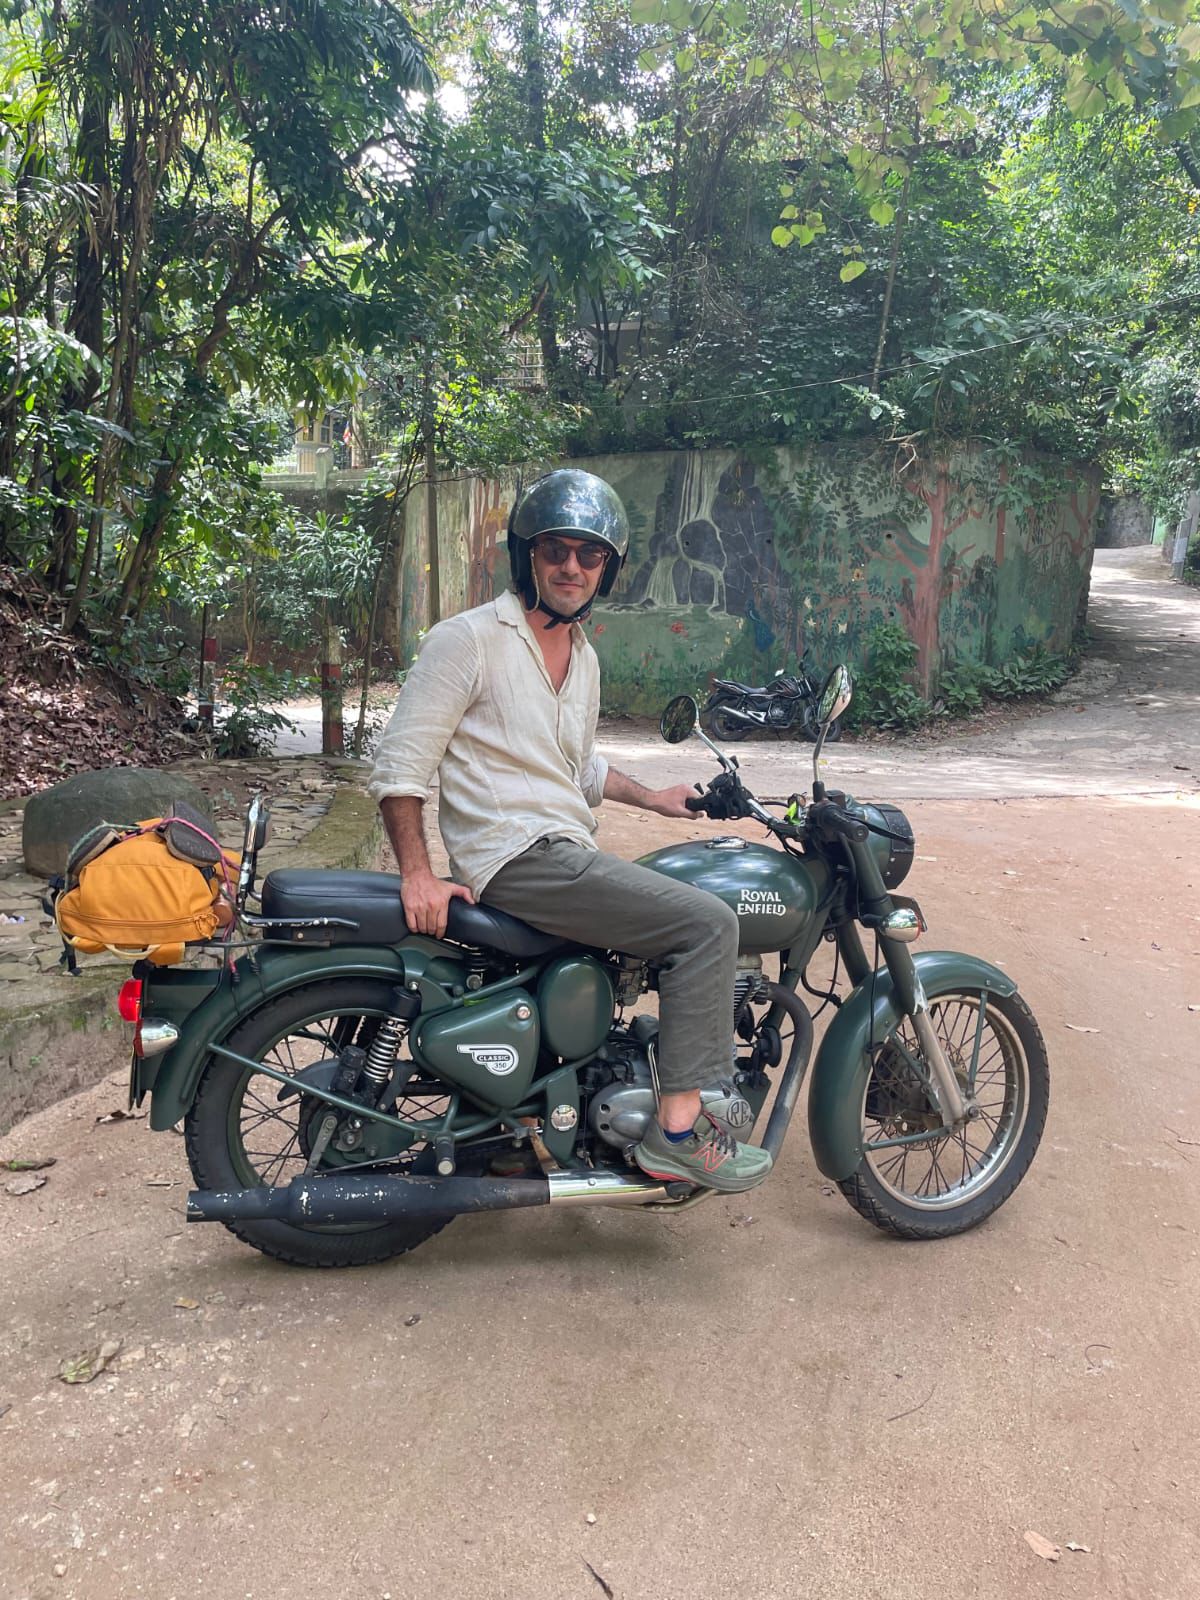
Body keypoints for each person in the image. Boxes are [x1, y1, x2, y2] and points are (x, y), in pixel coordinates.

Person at [367, 468, 771, 1193]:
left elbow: (579, 768)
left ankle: (531, 1124)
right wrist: (417, 872)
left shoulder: (582, 659)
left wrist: (656, 798)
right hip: (518, 855)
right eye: (556, 550)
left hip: (562, 848)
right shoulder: (468, 641)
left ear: (607, 569)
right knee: (708, 924)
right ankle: (679, 1135)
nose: (571, 567)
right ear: (528, 556)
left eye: (590, 556)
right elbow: (402, 764)